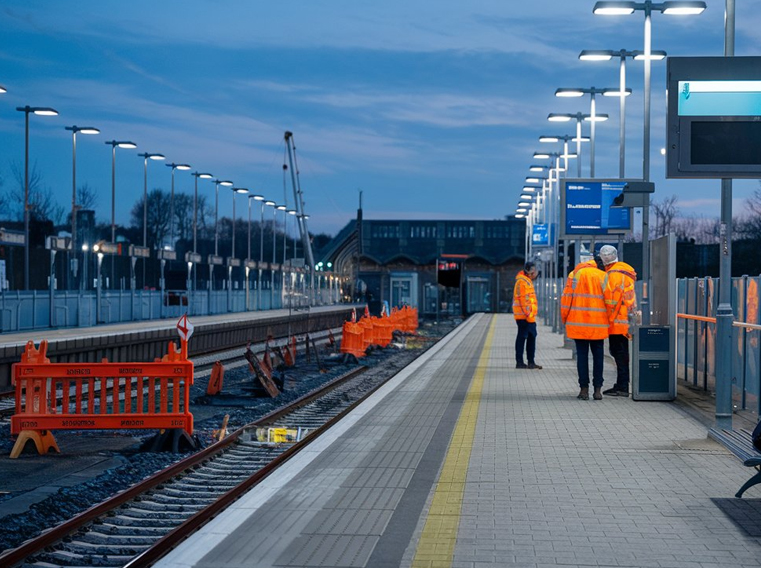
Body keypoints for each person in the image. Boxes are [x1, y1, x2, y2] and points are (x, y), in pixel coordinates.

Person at [561, 255, 609, 400]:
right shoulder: (603, 276)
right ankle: (598, 390)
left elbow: (566, 299)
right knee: (598, 357)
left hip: (578, 324)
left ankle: (584, 390)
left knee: (582, 357)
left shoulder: (574, 275)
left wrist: (565, 319)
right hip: (598, 325)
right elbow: (610, 302)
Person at [599, 245, 638, 398]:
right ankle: (621, 384)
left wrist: (606, 320)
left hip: (616, 321)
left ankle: (622, 386)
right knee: (621, 354)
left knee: (619, 354)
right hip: (625, 320)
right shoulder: (625, 273)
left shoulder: (613, 275)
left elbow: (611, 301)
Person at [512, 262, 542, 369]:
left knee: (529, 337)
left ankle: (529, 362)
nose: (537, 274)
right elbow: (524, 300)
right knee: (523, 338)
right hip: (525, 317)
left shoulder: (526, 281)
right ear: (531, 272)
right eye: (535, 272)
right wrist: (529, 314)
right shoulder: (522, 282)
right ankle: (521, 362)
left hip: (527, 316)